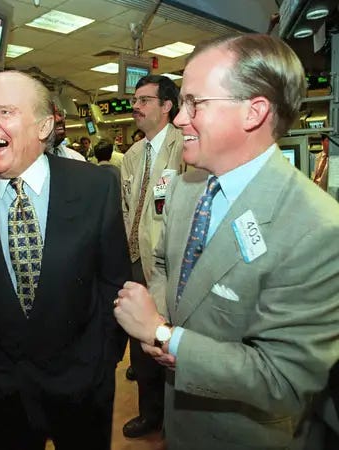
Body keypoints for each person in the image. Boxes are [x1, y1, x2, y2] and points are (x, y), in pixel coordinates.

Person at [113, 33, 339, 449]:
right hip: (180, 422)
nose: (180, 119)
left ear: (253, 112)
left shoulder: (317, 228)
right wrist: (159, 316)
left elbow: (282, 379)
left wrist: (163, 335)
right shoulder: (185, 186)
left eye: (195, 103)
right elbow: (163, 262)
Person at [0, 71, 131, 450]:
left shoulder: (95, 186)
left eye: (5, 112)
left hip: (83, 388)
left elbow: (113, 281)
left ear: (44, 126)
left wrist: (101, 360)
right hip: (1, 393)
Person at [120, 74, 186, 439]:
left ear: (166, 106)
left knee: (169, 341)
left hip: (171, 265)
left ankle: (176, 417)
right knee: (140, 342)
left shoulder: (184, 148)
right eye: (135, 100)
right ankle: (150, 413)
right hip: (135, 261)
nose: (136, 107)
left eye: (145, 100)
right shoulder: (131, 156)